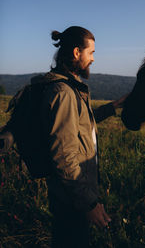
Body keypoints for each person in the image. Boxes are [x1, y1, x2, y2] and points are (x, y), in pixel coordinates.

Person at [39, 26, 126, 248]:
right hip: (72, 200)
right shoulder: (64, 93)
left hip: (70, 197)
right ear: (77, 52)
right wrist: (90, 204)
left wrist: (112, 107)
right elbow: (64, 157)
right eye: (92, 52)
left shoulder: (69, 88)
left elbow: (79, 124)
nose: (93, 59)